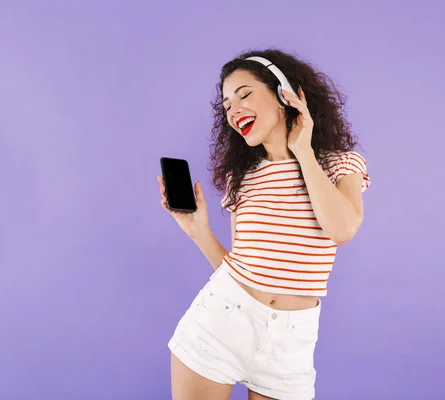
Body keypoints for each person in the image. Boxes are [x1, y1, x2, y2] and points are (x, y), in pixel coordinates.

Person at [158, 48, 371, 400]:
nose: (234, 110)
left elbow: (343, 229)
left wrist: (302, 150)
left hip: (292, 342)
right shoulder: (241, 178)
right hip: (221, 320)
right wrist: (198, 230)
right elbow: (242, 266)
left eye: (244, 95)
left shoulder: (340, 164)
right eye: (227, 105)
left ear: (285, 94)